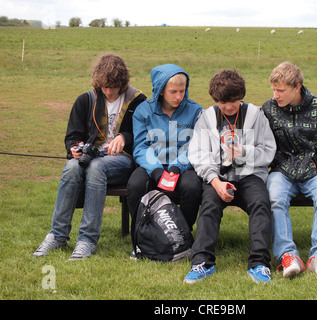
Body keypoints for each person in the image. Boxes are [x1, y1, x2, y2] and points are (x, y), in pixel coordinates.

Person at [33, 53, 147, 260]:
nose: (110, 92)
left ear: (123, 83)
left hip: (123, 160)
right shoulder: (86, 99)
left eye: (114, 87)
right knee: (71, 166)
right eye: (105, 87)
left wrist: (125, 137)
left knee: (97, 167)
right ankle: (57, 235)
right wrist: (74, 149)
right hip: (90, 157)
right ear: (98, 83)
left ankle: (86, 240)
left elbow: (145, 135)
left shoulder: (138, 100)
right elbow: (73, 136)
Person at [184, 69, 277, 284]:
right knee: (209, 206)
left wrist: (244, 152)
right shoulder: (206, 118)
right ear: (215, 99)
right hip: (218, 177)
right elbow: (199, 154)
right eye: (222, 102)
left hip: (250, 175)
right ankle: (202, 263)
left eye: (233, 101)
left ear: (241, 97)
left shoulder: (257, 115)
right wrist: (215, 182)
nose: (228, 106)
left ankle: (259, 264)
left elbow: (268, 151)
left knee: (261, 204)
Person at [262, 62, 317, 278]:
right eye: (273, 89)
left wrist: (316, 162)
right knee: (274, 200)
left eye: (280, 90)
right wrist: (280, 161)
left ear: (297, 87)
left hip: (315, 171)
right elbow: (262, 145)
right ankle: (288, 256)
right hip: (281, 170)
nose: (275, 95)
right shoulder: (268, 108)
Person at [126, 64, 203, 250]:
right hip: (153, 165)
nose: (179, 97)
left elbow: (197, 145)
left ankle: (183, 235)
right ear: (160, 91)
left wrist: (177, 167)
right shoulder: (143, 111)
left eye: (182, 91)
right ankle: (142, 234)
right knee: (136, 185)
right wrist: (157, 170)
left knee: (192, 186)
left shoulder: (195, 111)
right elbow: (141, 146)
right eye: (173, 91)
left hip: (184, 166)